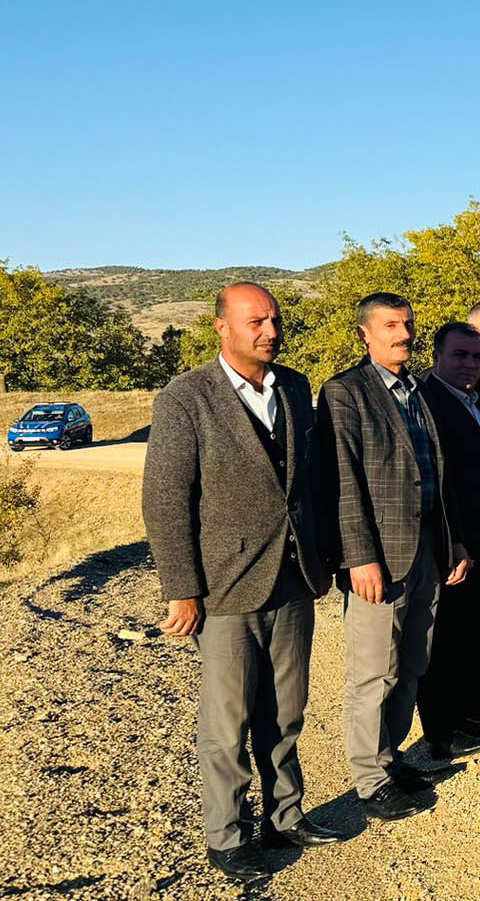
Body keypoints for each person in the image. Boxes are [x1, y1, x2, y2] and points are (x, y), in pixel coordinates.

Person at [144, 283, 343, 886]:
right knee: (227, 722)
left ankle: (285, 816)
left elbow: (311, 483)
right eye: (255, 321)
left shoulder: (297, 387)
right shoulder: (186, 397)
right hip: (226, 584)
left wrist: (325, 555)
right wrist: (182, 586)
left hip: (292, 577)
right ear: (221, 328)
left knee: (285, 710)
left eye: (275, 321)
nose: (270, 332)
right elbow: (165, 498)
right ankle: (227, 836)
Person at [314, 292, 472, 822]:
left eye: (406, 323)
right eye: (390, 325)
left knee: (411, 664)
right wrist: (359, 557)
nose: (402, 333)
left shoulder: (416, 391)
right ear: (365, 333)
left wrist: (454, 543)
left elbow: (439, 474)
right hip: (378, 557)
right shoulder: (344, 392)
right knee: (373, 671)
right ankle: (368, 780)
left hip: (426, 547)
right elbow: (343, 482)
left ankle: (391, 757)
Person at [417, 322, 480, 760]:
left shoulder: (475, 401)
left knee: (467, 634)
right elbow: (440, 483)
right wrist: (454, 542)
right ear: (437, 357)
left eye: (476, 357)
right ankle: (440, 731)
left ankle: (463, 714)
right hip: (453, 543)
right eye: (460, 355)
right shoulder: (427, 403)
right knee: (443, 641)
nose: (471, 364)